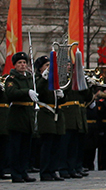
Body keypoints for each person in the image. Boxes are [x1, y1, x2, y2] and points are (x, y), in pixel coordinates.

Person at [4, 51, 37, 182]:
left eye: (24, 63)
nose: (22, 65)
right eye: (20, 63)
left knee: (25, 149)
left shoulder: (30, 77)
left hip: (28, 116)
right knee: (16, 149)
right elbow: (11, 93)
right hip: (17, 117)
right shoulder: (11, 79)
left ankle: (23, 172)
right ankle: (16, 174)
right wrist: (27, 92)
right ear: (15, 65)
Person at [35, 55, 67, 181]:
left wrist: (62, 95)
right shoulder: (39, 79)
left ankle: (53, 170)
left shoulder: (54, 81)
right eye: (46, 66)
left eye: (50, 65)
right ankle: (45, 172)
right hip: (46, 114)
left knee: (56, 146)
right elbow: (38, 91)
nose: (49, 68)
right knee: (47, 145)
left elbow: (62, 99)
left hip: (56, 114)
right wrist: (44, 78)